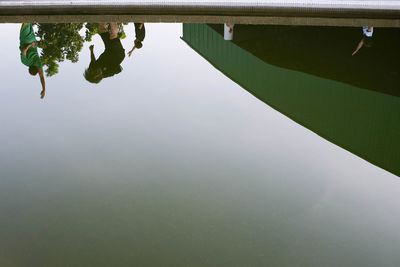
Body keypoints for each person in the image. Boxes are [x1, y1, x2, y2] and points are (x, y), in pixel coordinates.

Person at [19, 23, 46, 99]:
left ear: (36, 69)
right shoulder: (25, 62)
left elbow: (42, 78)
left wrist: (44, 89)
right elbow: (23, 52)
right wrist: (29, 45)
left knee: (28, 21)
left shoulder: (38, 65)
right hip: (25, 39)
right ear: (29, 68)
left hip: (32, 40)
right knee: (26, 21)